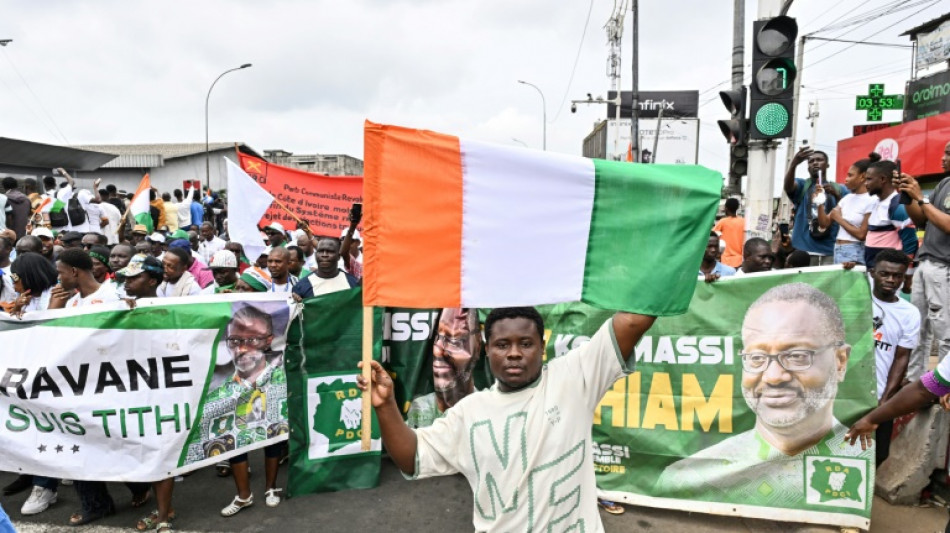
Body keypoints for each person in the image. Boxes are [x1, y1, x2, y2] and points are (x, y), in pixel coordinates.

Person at [358, 306, 655, 531]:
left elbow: (633, 320)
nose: (514, 353)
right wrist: (385, 406)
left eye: (525, 343)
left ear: (542, 345)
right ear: (487, 351)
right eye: (502, 345)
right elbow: (413, 457)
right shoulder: (469, 411)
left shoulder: (574, 378)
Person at [656, 283, 869, 505]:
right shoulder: (685, 478)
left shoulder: (861, 462)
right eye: (757, 358)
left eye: (797, 356)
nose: (773, 376)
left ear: (840, 361)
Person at [195, 306, 288, 515]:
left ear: (268, 340)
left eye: (253, 340)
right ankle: (244, 496)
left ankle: (271, 488)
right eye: (235, 341)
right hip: (235, 399)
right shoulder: (219, 389)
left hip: (270, 392)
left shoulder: (279, 377)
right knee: (234, 442)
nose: (242, 349)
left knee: (272, 437)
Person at [895, 144, 950, 383]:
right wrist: (907, 195)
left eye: (949, 153)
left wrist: (921, 197)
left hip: (945, 267)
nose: (943, 157)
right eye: (944, 151)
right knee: (917, 330)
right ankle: (915, 381)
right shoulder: (944, 184)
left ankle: (944, 385)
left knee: (945, 333)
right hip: (926, 262)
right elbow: (921, 219)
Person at [863, 249, 920, 466]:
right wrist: (845, 271)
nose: (891, 280)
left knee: (878, 454)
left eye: (897, 276)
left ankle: (863, 498)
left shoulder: (910, 313)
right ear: (872, 273)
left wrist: (885, 401)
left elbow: (901, 358)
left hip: (879, 395)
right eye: (884, 274)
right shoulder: (858, 295)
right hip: (845, 392)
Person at [407, 308, 482, 429]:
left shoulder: (489, 412)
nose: (437, 351)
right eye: (437, 338)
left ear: (478, 346)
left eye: (455, 340)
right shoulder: (419, 410)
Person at [783, 147, 847, 265]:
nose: (815, 163)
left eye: (819, 160)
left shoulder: (840, 189)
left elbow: (849, 213)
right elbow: (788, 187)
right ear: (808, 167)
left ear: (827, 165)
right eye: (811, 161)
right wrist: (794, 164)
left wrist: (836, 195)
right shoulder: (803, 185)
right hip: (804, 251)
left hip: (830, 251)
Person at [816, 154, 877, 265]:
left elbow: (862, 235)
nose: (846, 179)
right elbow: (824, 223)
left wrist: (839, 219)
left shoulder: (872, 200)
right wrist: (819, 202)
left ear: (862, 176)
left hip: (856, 252)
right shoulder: (847, 198)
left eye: (850, 175)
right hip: (838, 249)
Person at [864, 159, 918, 267]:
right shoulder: (876, 202)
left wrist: (906, 272)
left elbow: (910, 242)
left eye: (869, 179)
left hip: (890, 274)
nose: (865, 183)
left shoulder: (897, 206)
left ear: (883, 179)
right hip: (875, 270)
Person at [48, 248, 119, 309]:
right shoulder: (71, 303)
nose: (58, 278)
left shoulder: (113, 296)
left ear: (74, 271)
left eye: (60, 273)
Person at [292, 238, 359, 300]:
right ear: (315, 255)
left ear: (338, 256)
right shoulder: (301, 287)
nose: (324, 255)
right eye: (321, 251)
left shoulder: (353, 283)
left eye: (330, 251)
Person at [4, 252, 57, 318]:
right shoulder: (24, 299)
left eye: (15, 279)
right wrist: (17, 308)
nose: (13, 284)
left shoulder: (55, 294)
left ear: (29, 277)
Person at [713, 198, 745, 268]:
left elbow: (713, 235)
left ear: (726, 208)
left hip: (726, 260)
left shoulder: (723, 222)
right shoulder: (743, 221)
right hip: (740, 260)